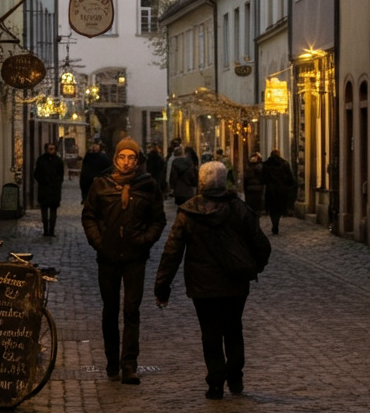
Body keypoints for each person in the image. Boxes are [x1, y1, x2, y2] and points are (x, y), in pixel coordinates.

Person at [154, 160, 271, 399]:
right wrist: (252, 267)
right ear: (223, 180)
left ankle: (216, 382)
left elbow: (172, 252)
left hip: (202, 285)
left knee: (211, 334)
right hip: (235, 283)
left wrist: (162, 287)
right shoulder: (239, 209)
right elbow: (261, 245)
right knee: (233, 328)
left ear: (201, 182)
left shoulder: (188, 211)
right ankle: (235, 375)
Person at [82, 137, 167, 384]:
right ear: (115, 159)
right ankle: (111, 362)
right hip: (107, 258)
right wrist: (100, 243)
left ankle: (129, 364)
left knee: (132, 310)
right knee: (110, 310)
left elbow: (158, 220)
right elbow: (89, 216)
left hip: (135, 258)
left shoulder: (147, 185)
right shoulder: (101, 185)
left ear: (137, 161)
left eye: (131, 157)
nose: (126, 162)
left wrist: (143, 240)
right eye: (122, 157)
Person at [33, 142, 66, 237]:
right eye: (49, 148)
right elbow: (36, 173)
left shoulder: (58, 161)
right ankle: (45, 230)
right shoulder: (41, 160)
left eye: (53, 148)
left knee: (53, 211)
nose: (51, 150)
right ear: (46, 149)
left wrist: (57, 182)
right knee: (44, 211)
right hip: (44, 189)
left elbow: (61, 174)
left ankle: (51, 230)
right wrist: (42, 181)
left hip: (54, 190)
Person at [262, 148, 296, 235]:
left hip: (270, 189)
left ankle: (274, 223)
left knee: (272, 208)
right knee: (279, 207)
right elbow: (290, 178)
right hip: (281, 189)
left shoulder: (266, 164)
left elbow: (263, 179)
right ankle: (276, 223)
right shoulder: (284, 164)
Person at [243, 152, 264, 217]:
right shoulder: (261, 167)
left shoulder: (248, 168)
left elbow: (245, 180)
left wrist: (245, 189)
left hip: (250, 189)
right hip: (258, 189)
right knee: (257, 205)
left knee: (250, 205)